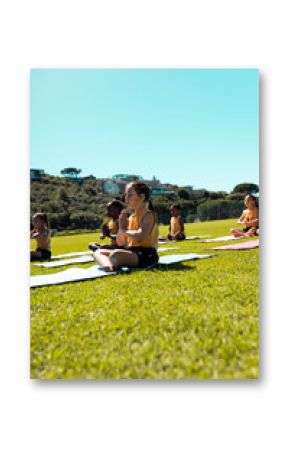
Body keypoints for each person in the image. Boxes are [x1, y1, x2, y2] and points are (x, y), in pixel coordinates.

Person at [92, 182, 159, 271]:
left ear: (142, 197)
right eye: (126, 195)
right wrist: (121, 227)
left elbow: (140, 237)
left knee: (115, 255)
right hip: (132, 252)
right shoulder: (131, 217)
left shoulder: (149, 215)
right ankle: (108, 266)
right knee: (98, 252)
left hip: (147, 254)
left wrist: (124, 229)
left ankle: (113, 263)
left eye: (130, 195)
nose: (126, 198)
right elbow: (121, 243)